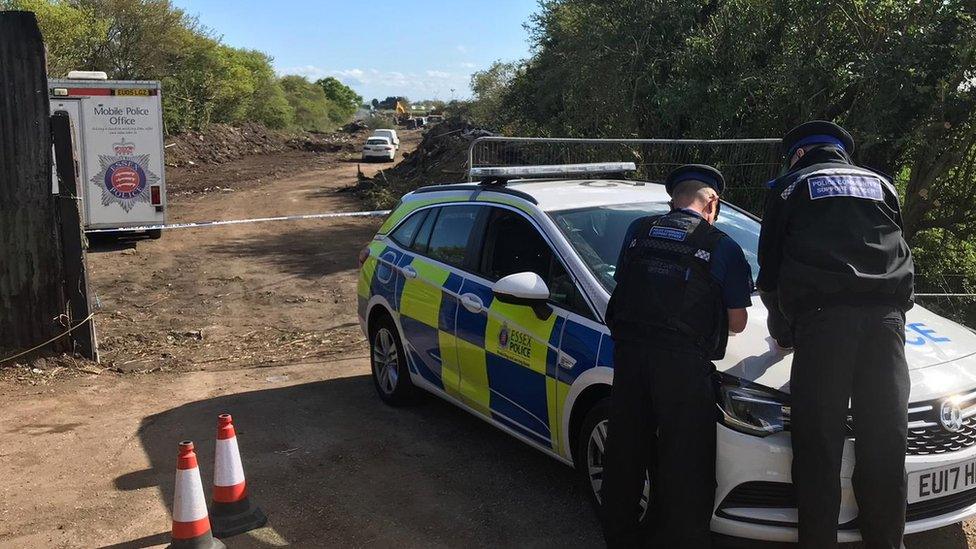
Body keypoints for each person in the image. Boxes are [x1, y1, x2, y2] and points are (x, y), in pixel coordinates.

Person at [757, 120, 915, 548]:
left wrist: (783, 331)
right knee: (885, 444)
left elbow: (769, 274)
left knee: (818, 446)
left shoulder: (790, 186)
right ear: (842, 153)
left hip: (825, 326)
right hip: (887, 326)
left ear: (799, 155)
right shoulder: (882, 184)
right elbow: (901, 250)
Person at [601, 164, 753, 547]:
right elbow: (737, 324)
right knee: (685, 458)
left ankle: (621, 536)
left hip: (631, 357)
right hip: (683, 366)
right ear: (712, 203)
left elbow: (629, 284)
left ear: (674, 199)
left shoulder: (637, 231)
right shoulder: (722, 245)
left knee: (626, 450)